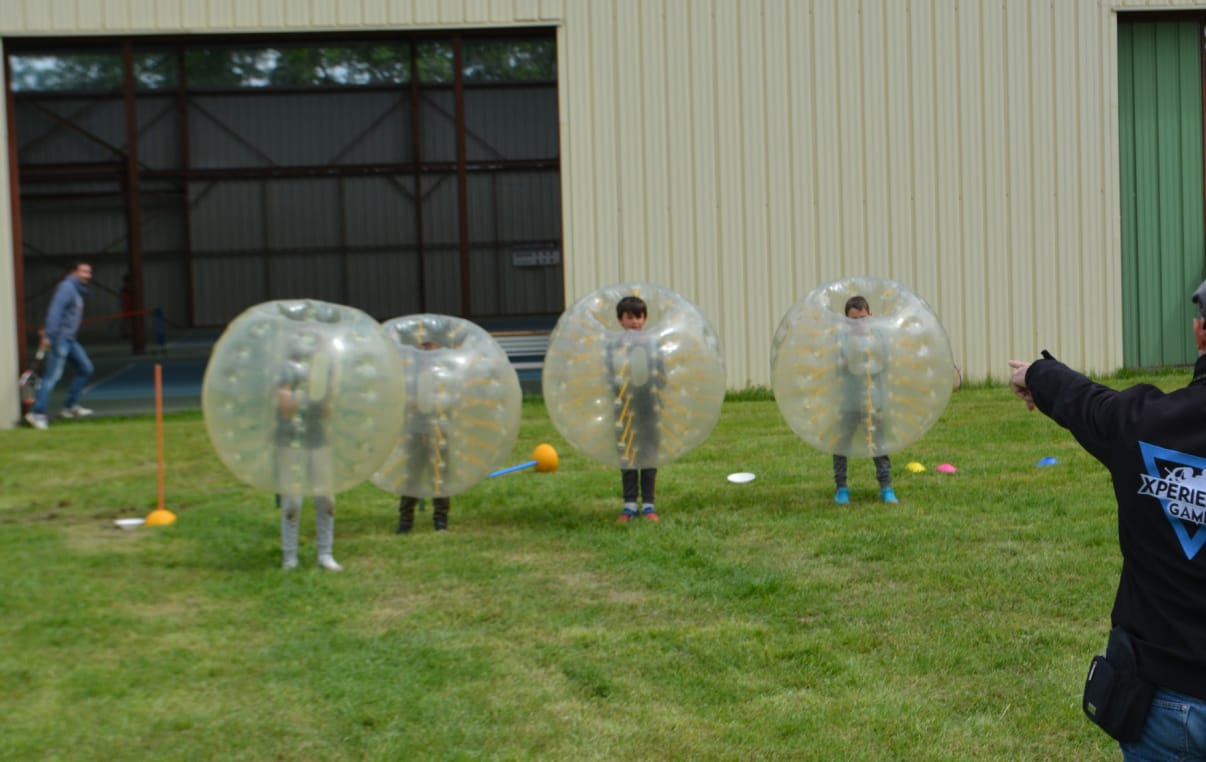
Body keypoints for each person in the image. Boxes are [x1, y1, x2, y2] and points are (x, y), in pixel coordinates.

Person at [1007, 280, 1206, 759]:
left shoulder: (1145, 424)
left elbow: (1089, 404)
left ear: (1201, 333)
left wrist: (1038, 374)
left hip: (1164, 701)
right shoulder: (1138, 422)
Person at [275, 321, 341, 571]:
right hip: (290, 440)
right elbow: (287, 408)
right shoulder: (284, 369)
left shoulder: (321, 370)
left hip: (317, 437)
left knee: (326, 497)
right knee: (293, 502)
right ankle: (289, 558)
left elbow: (326, 410)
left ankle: (326, 554)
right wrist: (307, 394)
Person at [832, 295, 897, 505]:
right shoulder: (840, 339)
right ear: (847, 320)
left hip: (873, 401)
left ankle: (886, 488)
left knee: (879, 446)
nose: (859, 323)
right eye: (854, 319)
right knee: (841, 446)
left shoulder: (878, 336)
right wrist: (845, 362)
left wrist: (873, 357)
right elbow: (837, 369)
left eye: (863, 318)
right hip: (848, 402)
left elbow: (886, 364)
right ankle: (841, 488)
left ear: (870, 316)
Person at [610, 295, 664, 523]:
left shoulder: (653, 346)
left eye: (639, 317)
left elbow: (661, 376)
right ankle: (630, 505)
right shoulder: (614, 347)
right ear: (620, 320)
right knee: (629, 455)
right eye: (629, 317)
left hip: (649, 408)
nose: (635, 322)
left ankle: (649, 505)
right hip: (623, 408)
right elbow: (609, 376)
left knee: (648, 455)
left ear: (645, 319)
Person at [25, 262, 95, 430]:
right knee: (51, 377)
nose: (88, 275)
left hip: (70, 340)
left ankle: (69, 408)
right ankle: (37, 414)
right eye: (84, 271)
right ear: (74, 272)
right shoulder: (66, 288)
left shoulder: (77, 291)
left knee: (86, 369)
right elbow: (54, 312)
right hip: (59, 339)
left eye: (89, 272)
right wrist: (49, 336)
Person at [397, 340, 451, 534]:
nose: (427, 357)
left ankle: (440, 521)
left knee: (439, 477)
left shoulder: (445, 378)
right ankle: (405, 520)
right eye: (424, 352)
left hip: (438, 432)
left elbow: (449, 405)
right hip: (415, 432)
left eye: (431, 351)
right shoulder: (411, 378)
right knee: (411, 476)